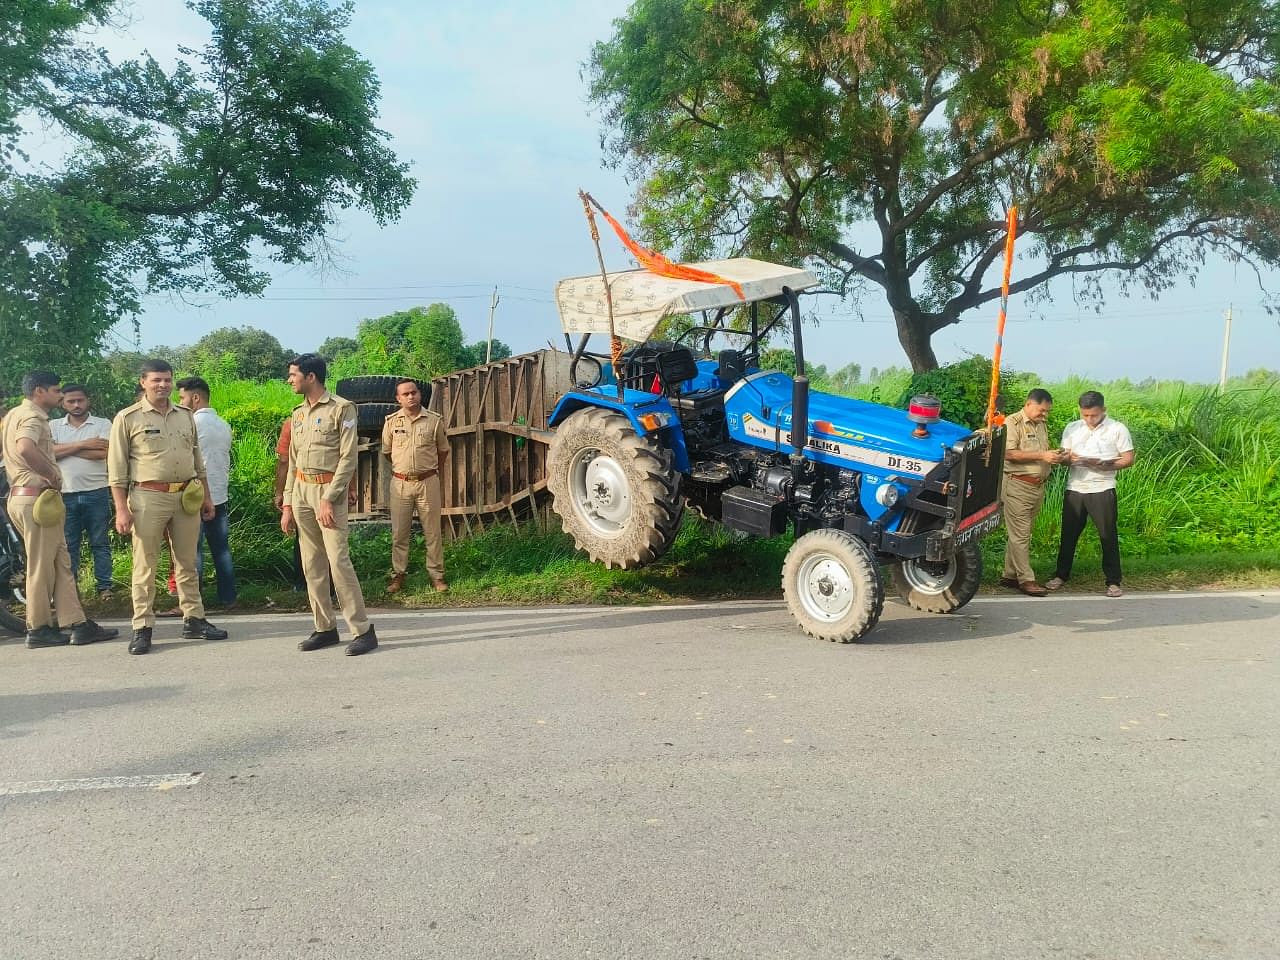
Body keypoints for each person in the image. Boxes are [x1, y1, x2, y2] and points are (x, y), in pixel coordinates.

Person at [108, 359, 229, 654]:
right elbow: (117, 469)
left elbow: (198, 462)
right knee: (145, 564)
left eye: (167, 380)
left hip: (186, 495)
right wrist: (121, 509)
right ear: (143, 382)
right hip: (147, 497)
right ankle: (142, 627)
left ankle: (194, 619)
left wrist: (207, 498)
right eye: (156, 380)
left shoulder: (185, 415)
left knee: (187, 562)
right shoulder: (128, 418)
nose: (162, 385)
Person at [1, 371, 117, 648]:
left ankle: (77, 623)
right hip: (36, 497)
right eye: (55, 391)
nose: (60, 396)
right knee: (42, 566)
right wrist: (50, 475)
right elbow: (26, 447)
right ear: (39, 391)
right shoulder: (32, 416)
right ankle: (39, 628)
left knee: (60, 562)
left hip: (26, 497)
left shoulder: (12, 416)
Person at [280, 353, 377, 656]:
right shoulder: (297, 414)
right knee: (312, 565)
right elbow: (293, 461)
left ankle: (362, 630)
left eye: (293, 374)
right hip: (301, 491)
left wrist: (328, 498)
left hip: (327, 492)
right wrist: (287, 505)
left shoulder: (342, 409)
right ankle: (325, 628)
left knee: (338, 562)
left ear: (311, 377)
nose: (289, 380)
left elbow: (349, 458)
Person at [1047, 390, 1136, 598]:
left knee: (1107, 535)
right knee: (1068, 535)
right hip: (1075, 487)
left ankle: (1113, 581)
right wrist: (1070, 459)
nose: (1089, 419)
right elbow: (1064, 457)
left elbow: (1128, 459)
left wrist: (1104, 464)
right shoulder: (1072, 428)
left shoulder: (1117, 429)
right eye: (1084, 415)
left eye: (1093, 415)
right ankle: (1061, 575)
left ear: (1103, 410)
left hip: (1102, 488)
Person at [382, 378, 450, 594]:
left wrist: (429, 471)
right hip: (400, 484)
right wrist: (405, 470)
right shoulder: (392, 422)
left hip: (427, 482)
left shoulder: (434, 421)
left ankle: (437, 576)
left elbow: (443, 450)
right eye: (405, 394)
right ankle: (398, 576)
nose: (411, 397)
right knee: (399, 533)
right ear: (398, 398)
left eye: (414, 392)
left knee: (433, 532)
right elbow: (387, 452)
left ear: (420, 394)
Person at [998, 388, 1068, 596]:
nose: (1044, 415)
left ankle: (1009, 575)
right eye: (1041, 410)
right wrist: (1042, 456)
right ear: (1028, 404)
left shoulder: (1041, 425)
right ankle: (1026, 580)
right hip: (1017, 485)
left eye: (1047, 411)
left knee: (1023, 534)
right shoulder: (1012, 423)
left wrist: (1054, 456)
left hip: (1037, 487)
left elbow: (1041, 453)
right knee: (1020, 535)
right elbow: (1008, 453)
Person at [49, 383, 115, 599]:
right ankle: (71, 590)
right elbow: (48, 453)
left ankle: (105, 587)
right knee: (68, 545)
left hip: (97, 491)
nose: (76, 405)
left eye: (80, 400)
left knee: (100, 542)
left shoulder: (103, 424)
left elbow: (104, 452)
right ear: (63, 403)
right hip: (65, 493)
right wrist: (85, 444)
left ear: (88, 400)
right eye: (71, 401)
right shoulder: (54, 425)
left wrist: (65, 449)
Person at [176, 376, 237, 608]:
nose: (179, 403)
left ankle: (194, 601)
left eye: (181, 398)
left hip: (194, 495)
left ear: (195, 397)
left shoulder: (190, 424)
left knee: (192, 551)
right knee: (221, 549)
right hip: (219, 494)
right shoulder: (223, 424)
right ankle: (228, 597)